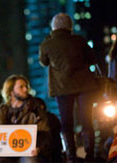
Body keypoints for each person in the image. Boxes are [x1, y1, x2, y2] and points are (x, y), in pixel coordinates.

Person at [39, 13, 99, 162]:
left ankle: (71, 156)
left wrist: (49, 40)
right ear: (70, 26)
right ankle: (90, 155)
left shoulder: (47, 44)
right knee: (87, 121)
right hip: (84, 86)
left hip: (62, 88)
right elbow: (92, 59)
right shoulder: (79, 41)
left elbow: (43, 62)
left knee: (66, 123)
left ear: (53, 27)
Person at [0, 75, 51, 163]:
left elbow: (45, 133)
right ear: (11, 91)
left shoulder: (35, 110)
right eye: (21, 87)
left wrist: (39, 148)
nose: (26, 89)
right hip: (4, 155)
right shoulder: (0, 112)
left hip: (27, 153)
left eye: (26, 86)